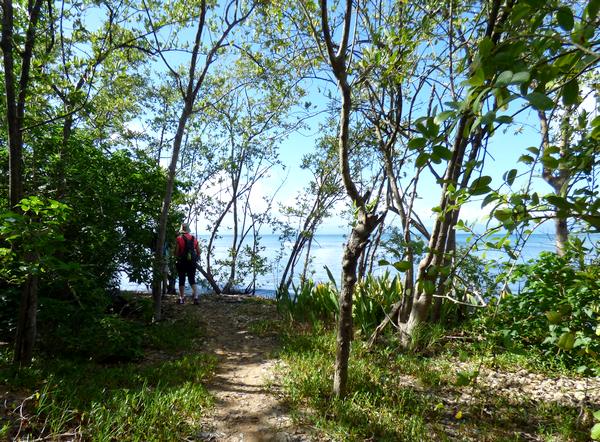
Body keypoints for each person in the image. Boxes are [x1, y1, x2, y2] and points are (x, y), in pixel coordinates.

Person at [174, 223, 200, 304]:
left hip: (182, 262)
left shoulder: (179, 238)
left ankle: (181, 299)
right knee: (192, 279)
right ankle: (195, 298)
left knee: (182, 279)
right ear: (188, 230)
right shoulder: (194, 238)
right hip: (192, 262)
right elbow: (199, 251)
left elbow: (176, 252)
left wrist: (175, 255)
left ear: (182, 230)